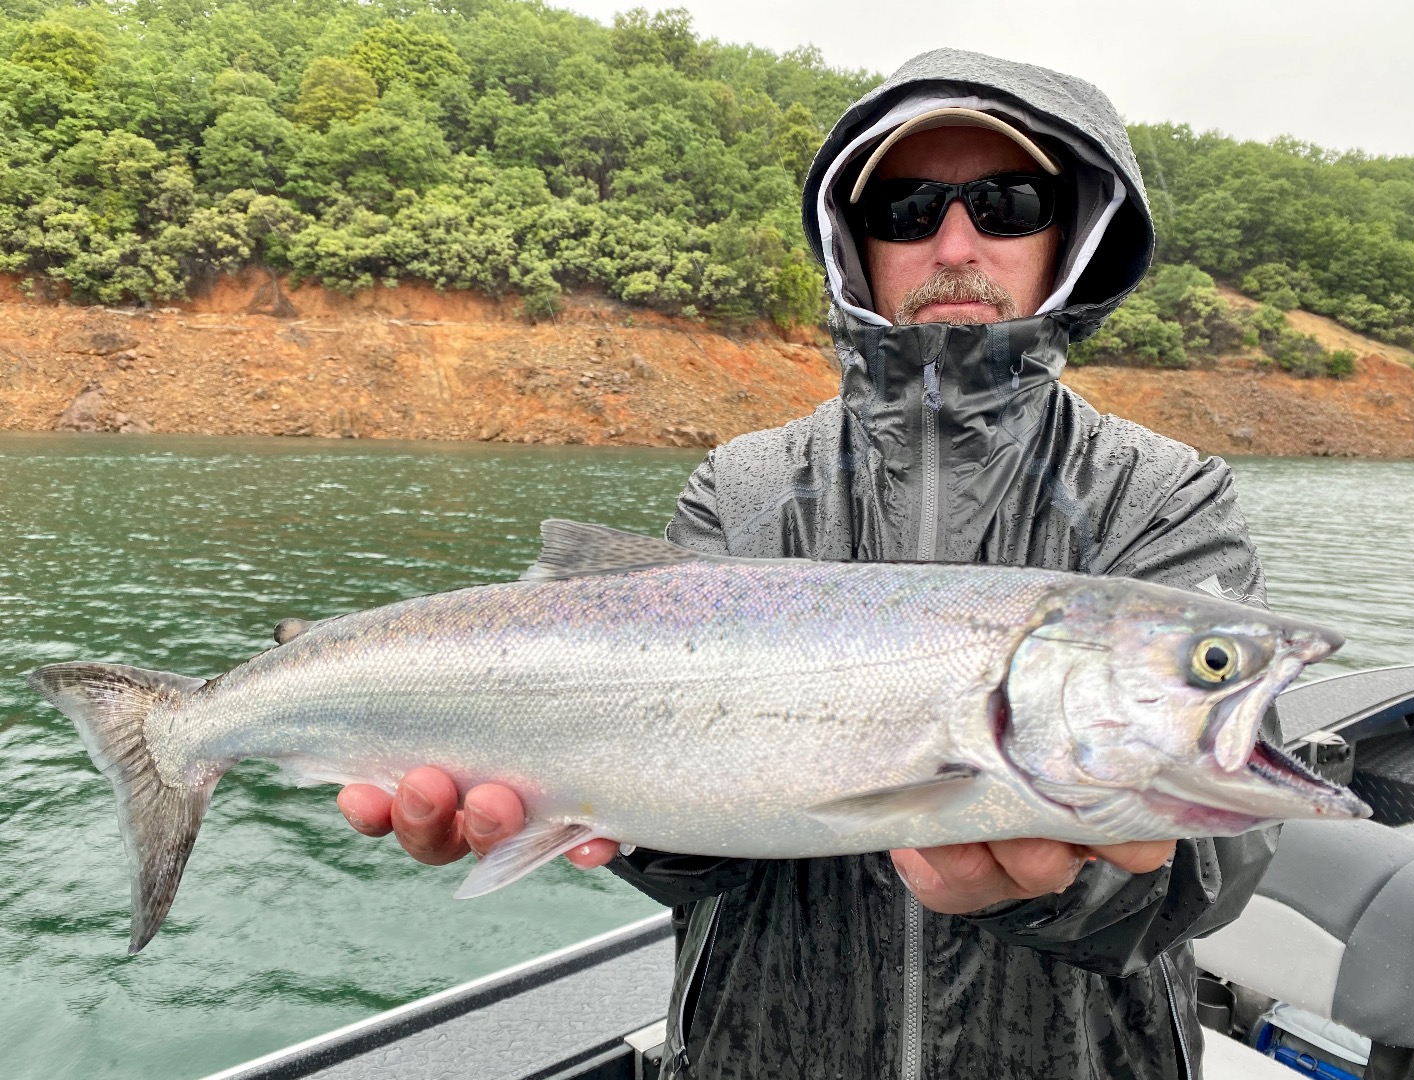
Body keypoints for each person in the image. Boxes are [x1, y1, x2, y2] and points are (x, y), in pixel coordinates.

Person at [337, 49, 1277, 1080]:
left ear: (1069, 233)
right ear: (853, 241)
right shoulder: (740, 490)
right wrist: (599, 809)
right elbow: (698, 858)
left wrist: (1072, 887)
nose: (955, 241)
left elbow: (1220, 861)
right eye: (909, 208)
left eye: (1006, 202)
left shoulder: (1167, 494)